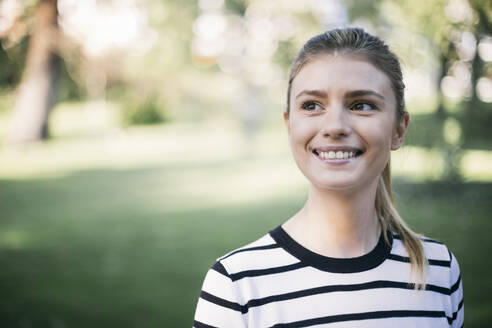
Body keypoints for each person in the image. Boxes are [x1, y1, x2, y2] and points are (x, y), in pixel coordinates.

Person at [193, 27, 464, 327]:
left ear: (399, 129)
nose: (335, 126)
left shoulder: (438, 269)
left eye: (361, 105)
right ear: (289, 125)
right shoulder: (237, 286)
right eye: (312, 105)